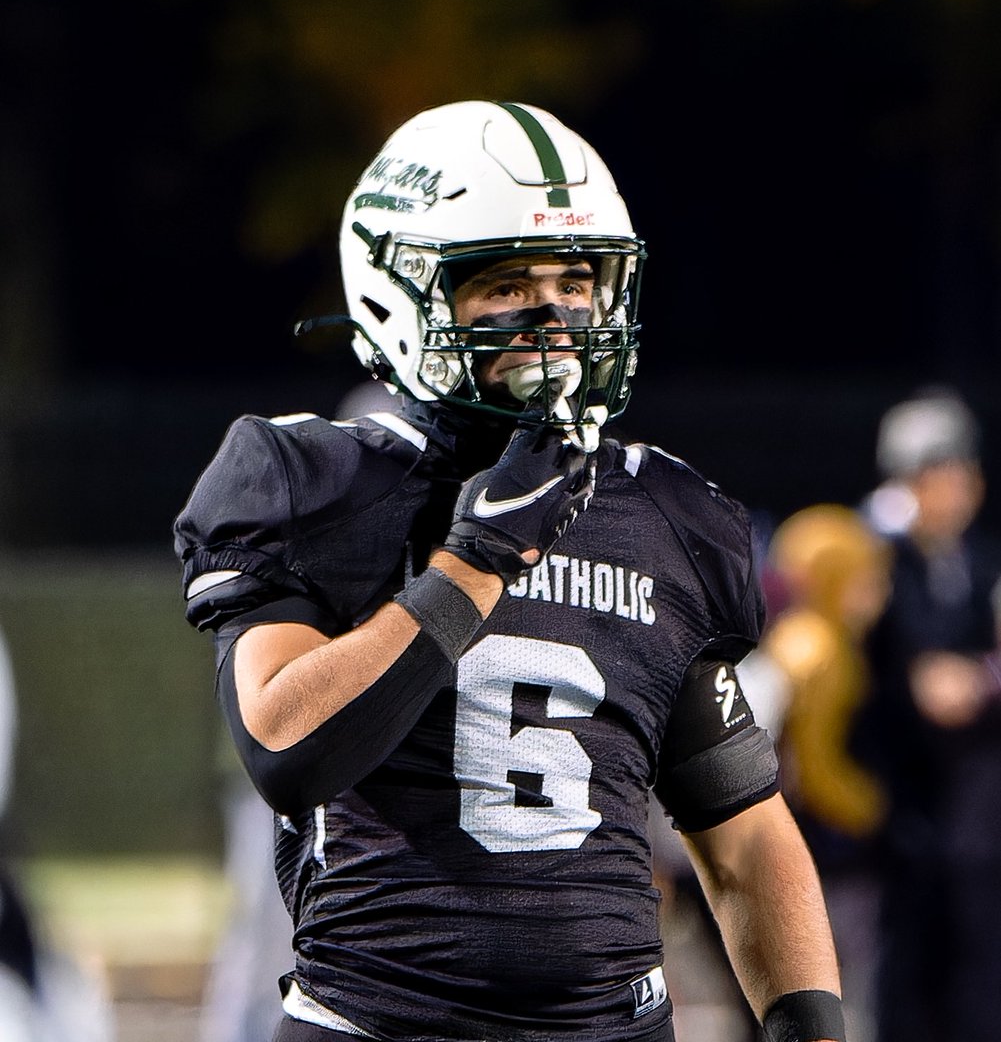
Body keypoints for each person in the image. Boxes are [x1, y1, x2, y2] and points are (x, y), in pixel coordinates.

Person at [173, 99, 846, 1042]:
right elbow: (289, 749)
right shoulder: (311, 479)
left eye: (576, 279)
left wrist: (808, 1024)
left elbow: (741, 831)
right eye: (503, 283)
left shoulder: (664, 510)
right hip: (380, 1023)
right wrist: (480, 556)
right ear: (400, 291)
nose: (554, 314)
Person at [858, 389, 1001, 1042]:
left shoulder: (975, 561)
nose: (952, 489)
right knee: (910, 960)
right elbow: (930, 690)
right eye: (931, 476)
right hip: (908, 798)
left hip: (974, 802)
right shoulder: (883, 560)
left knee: (975, 958)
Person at [761, 505, 892, 1042]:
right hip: (825, 850)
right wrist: (875, 806)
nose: (879, 592)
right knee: (838, 993)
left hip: (815, 844)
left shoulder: (809, 639)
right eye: (867, 578)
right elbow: (816, 769)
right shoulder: (819, 651)